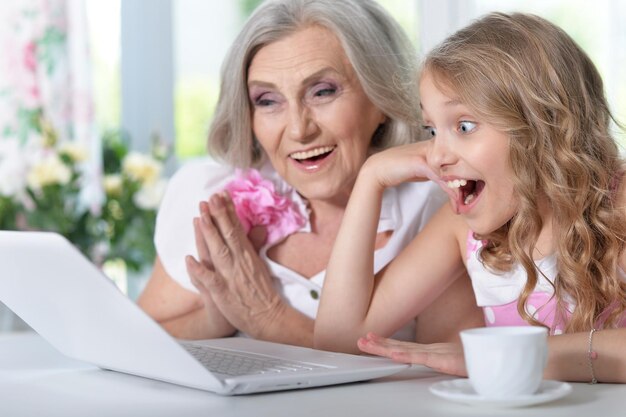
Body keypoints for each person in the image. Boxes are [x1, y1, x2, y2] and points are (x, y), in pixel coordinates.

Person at [137, 0, 483, 347]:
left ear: (381, 97)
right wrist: (219, 316)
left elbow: (441, 377)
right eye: (268, 100)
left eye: (322, 92)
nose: (299, 130)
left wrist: (270, 319)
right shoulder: (213, 195)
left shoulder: (440, 209)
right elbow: (138, 343)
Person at [314, 12, 626, 383]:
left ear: (542, 125)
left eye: (463, 126)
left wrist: (504, 356)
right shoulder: (461, 227)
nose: (436, 155)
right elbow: (337, 341)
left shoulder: (616, 207)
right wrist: (371, 178)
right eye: (431, 129)